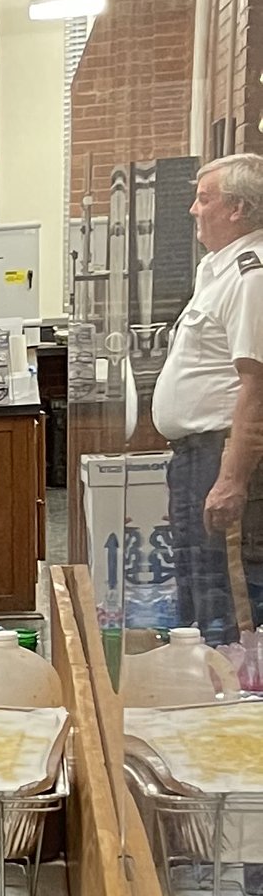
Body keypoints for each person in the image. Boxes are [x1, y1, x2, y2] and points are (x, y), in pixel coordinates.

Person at [151, 153, 263, 639]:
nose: (193, 209)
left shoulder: (251, 277)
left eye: (204, 199)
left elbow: (256, 389)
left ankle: (241, 703)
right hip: (197, 457)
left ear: (237, 208)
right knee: (200, 595)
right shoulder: (217, 272)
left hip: (222, 456)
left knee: (229, 601)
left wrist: (231, 481)